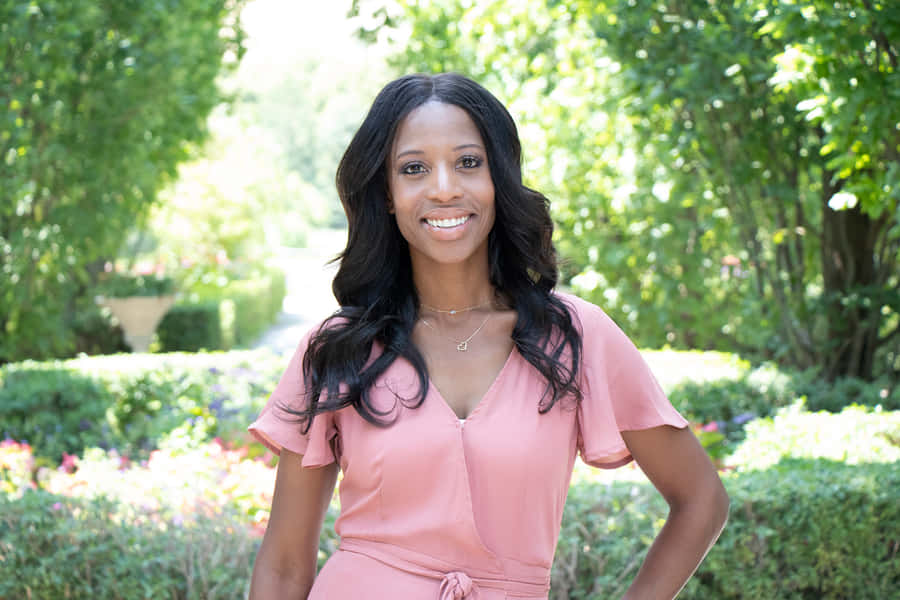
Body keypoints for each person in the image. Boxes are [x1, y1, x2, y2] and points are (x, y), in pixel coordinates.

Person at [247, 73, 729, 600]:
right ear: (387, 195)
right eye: (414, 168)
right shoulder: (339, 347)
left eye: (468, 163)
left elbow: (701, 500)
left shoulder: (574, 336)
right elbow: (285, 567)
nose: (445, 187)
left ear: (499, 177)